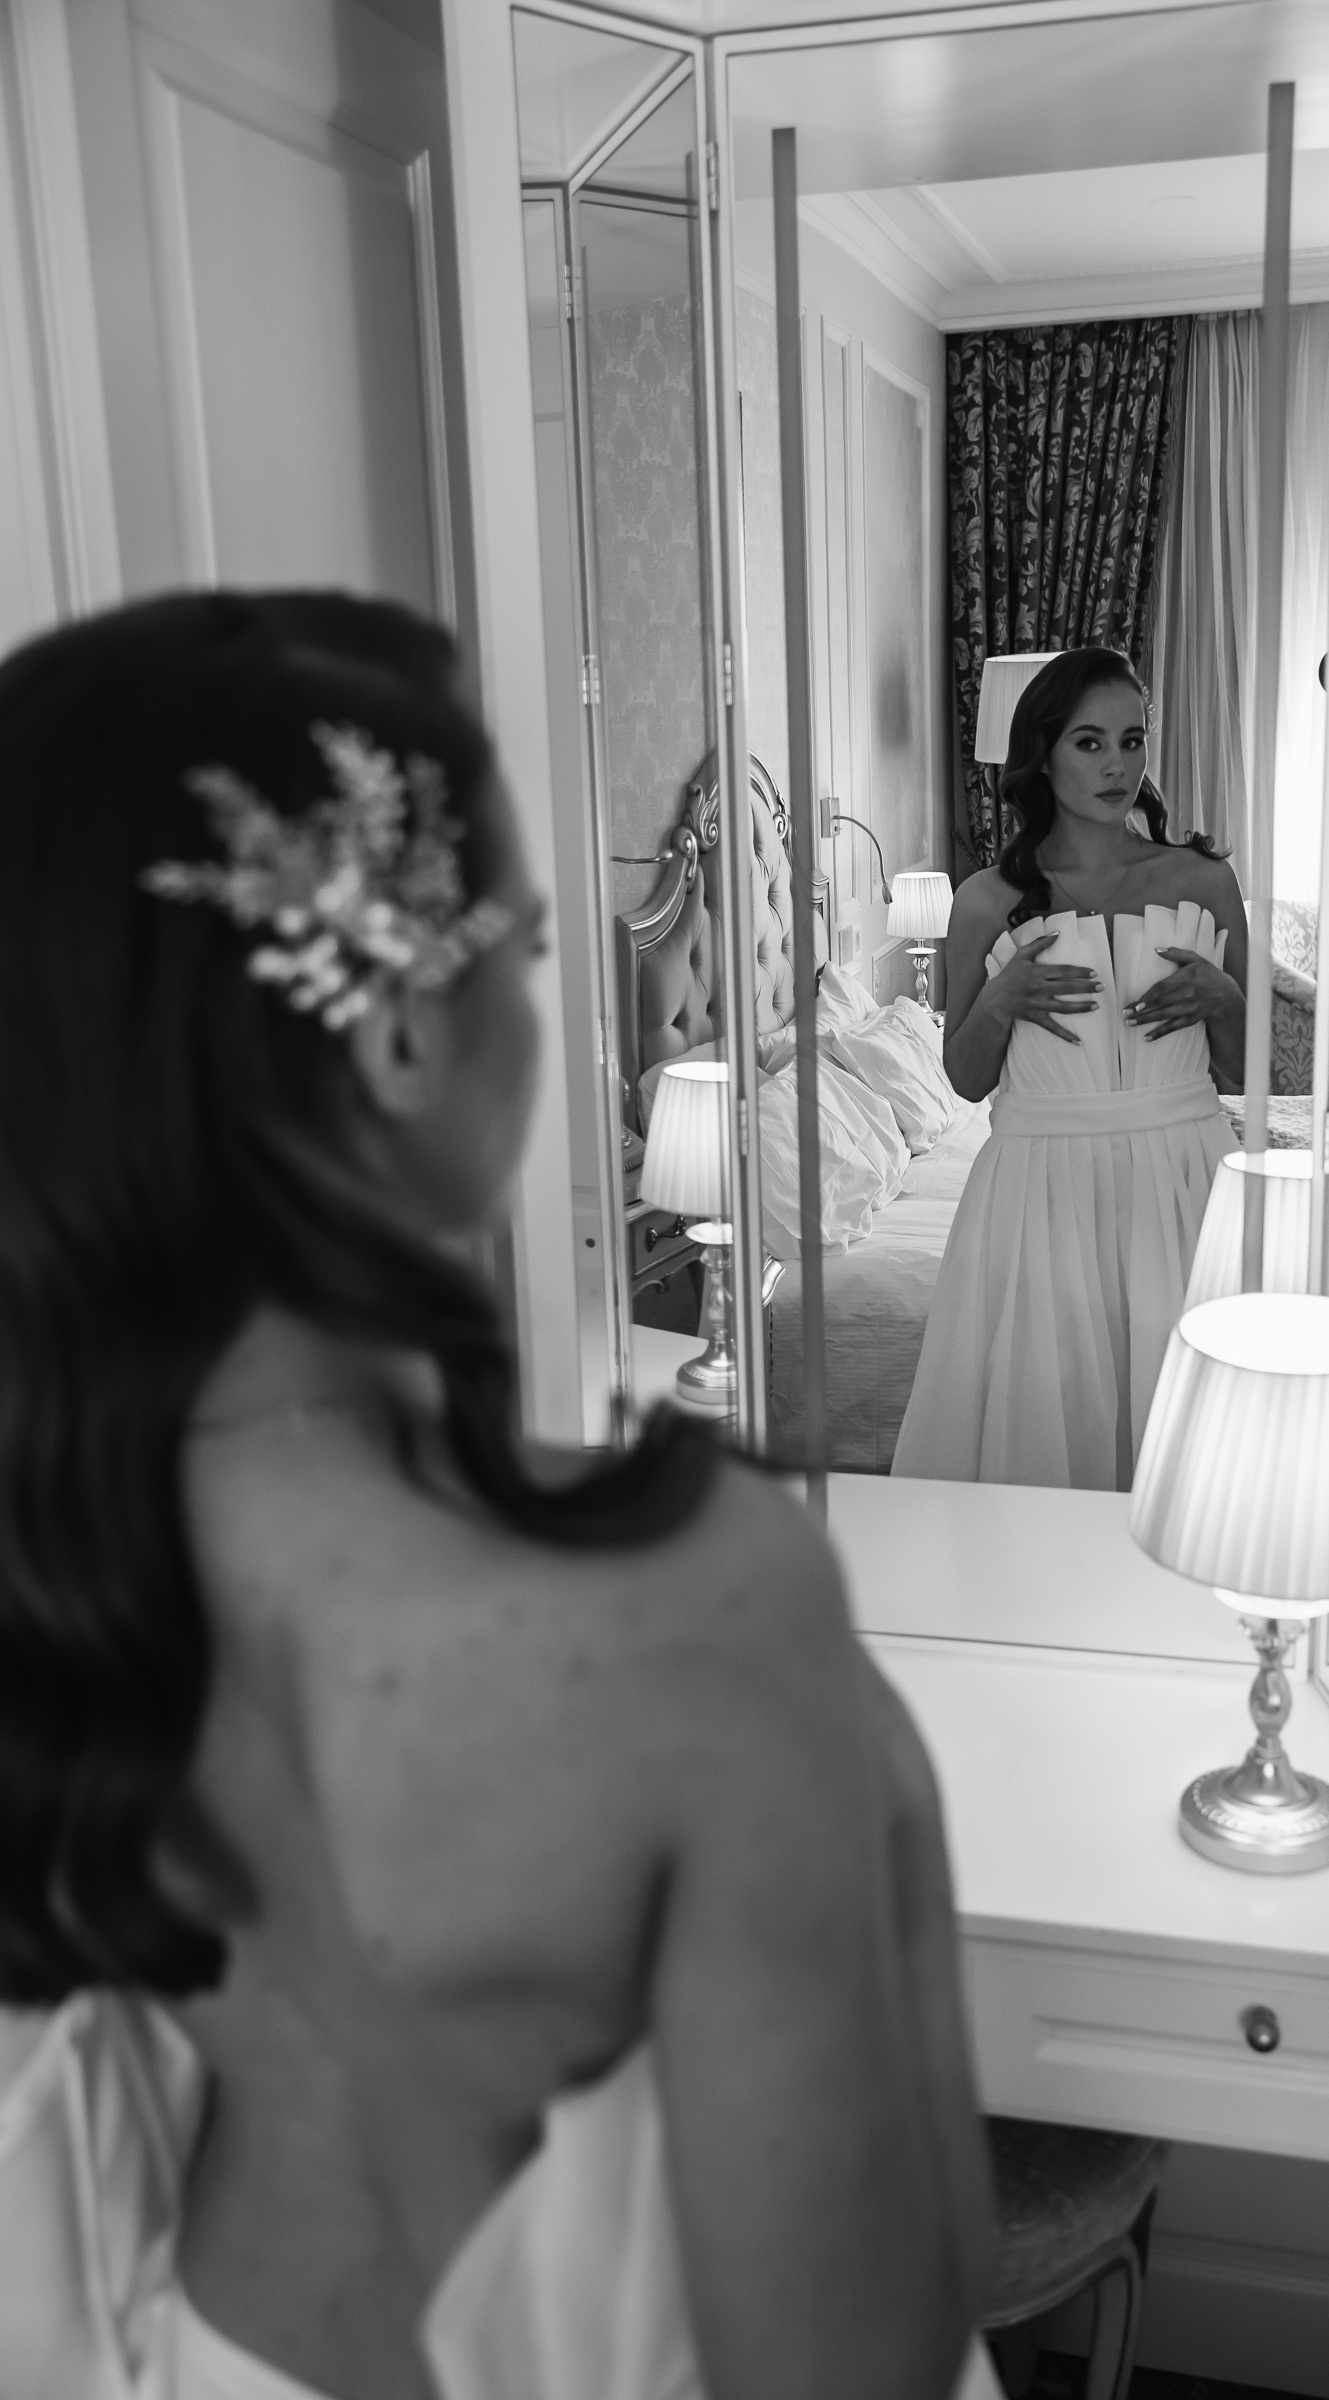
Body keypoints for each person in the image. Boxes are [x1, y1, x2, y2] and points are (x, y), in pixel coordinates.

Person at [0, 592, 997, 2400]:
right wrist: (894, 1821)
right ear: (395, 1039)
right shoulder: (696, 1605)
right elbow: (868, 2357)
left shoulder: (57, 1562)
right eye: (527, 952)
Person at [893, 647, 1245, 1491]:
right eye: (1090, 743)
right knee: (1050, 1425)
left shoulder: (1203, 880)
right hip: (1040, 1191)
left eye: (1132, 740)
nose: (1117, 765)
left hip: (1185, 1178)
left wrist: (1228, 997)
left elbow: (1237, 1073)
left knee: (1196, 1449)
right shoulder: (985, 901)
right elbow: (965, 1080)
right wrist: (1000, 998)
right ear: (1043, 756)